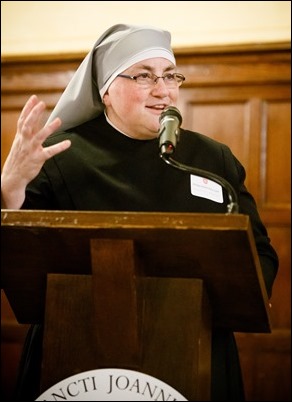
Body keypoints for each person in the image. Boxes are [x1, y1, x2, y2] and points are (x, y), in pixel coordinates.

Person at [1, 24, 278, 401]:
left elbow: (260, 252)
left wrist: (238, 294)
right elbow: (16, 251)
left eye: (170, 76)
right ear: (106, 92)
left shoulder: (213, 158)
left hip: (195, 341)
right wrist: (10, 189)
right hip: (76, 348)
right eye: (144, 76)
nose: (163, 90)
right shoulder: (59, 155)